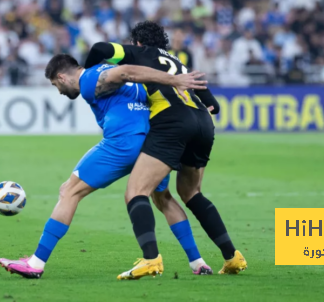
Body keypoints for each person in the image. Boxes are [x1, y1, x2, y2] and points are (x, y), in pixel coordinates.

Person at [0, 54, 214, 279]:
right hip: (151, 145)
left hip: (122, 144)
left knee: (69, 190)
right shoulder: (130, 83)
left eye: (55, 85)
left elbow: (125, 70)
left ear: (61, 77)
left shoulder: (90, 77)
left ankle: (36, 263)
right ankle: (198, 262)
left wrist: (174, 80)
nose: (59, 91)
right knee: (163, 198)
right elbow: (131, 75)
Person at [83, 21, 247, 279]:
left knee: (136, 191)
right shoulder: (176, 61)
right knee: (191, 193)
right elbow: (205, 93)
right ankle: (232, 256)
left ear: (137, 41)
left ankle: (150, 260)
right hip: (203, 123)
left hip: (172, 122)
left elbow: (99, 47)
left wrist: (89, 70)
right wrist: (212, 104)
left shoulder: (138, 52)